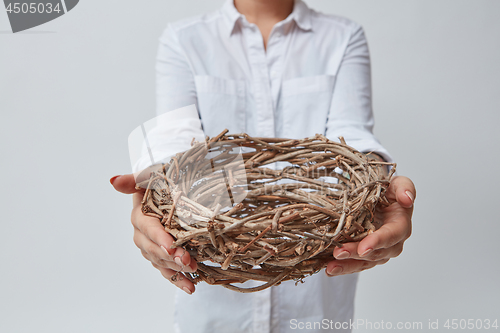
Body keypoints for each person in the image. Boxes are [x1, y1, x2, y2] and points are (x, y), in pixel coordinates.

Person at [111, 0, 416, 332]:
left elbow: (351, 143)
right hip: (216, 297)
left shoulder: (342, 37)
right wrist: (155, 186)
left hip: (314, 291)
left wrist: (377, 185)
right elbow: (176, 142)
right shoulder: (185, 39)